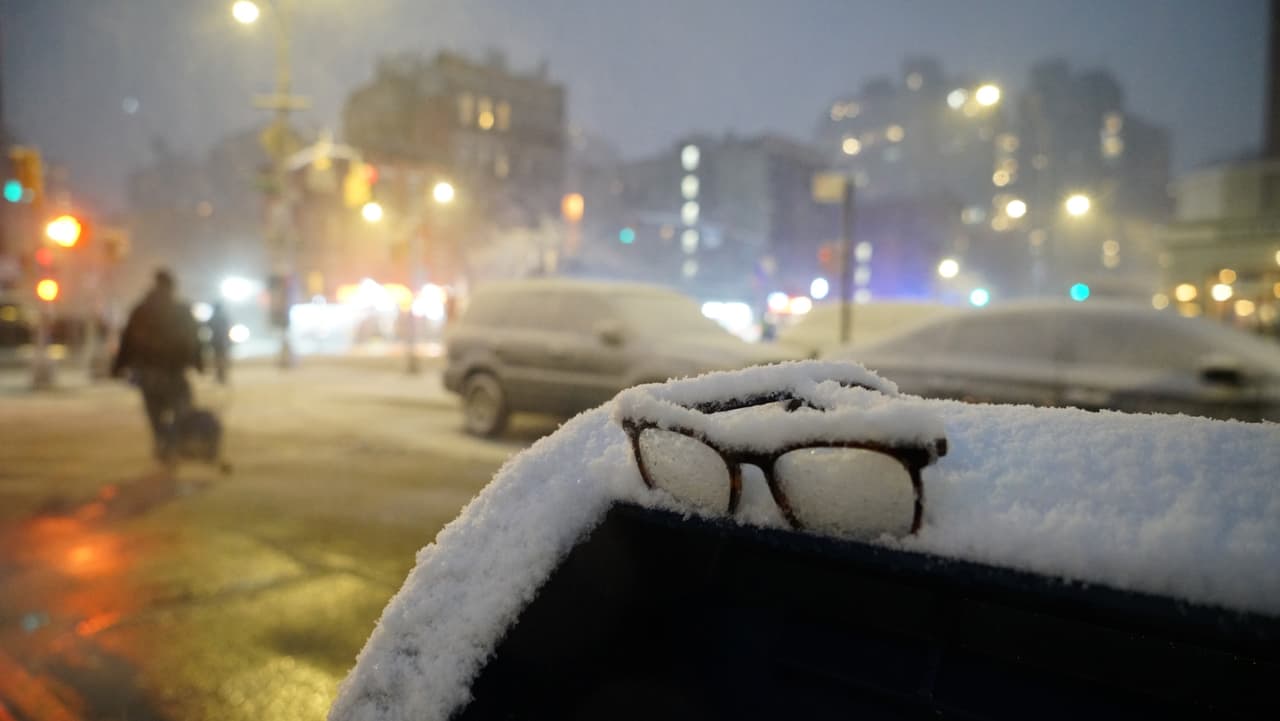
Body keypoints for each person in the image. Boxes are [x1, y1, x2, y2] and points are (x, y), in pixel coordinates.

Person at [111, 269, 204, 462]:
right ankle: (174, 441)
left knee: (154, 411)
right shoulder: (180, 310)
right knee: (181, 407)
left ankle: (162, 440)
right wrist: (198, 363)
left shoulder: (141, 310)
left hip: (148, 371)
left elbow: (127, 340)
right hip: (173, 371)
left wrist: (118, 366)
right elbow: (193, 339)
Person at [206, 301, 231, 385]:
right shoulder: (223, 317)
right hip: (222, 340)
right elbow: (228, 327)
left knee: (218, 359)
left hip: (216, 340)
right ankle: (222, 376)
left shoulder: (213, 317)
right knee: (222, 358)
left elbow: (207, 325)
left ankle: (220, 376)